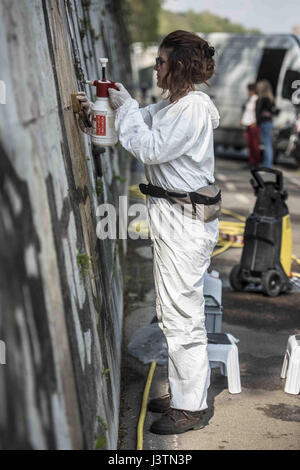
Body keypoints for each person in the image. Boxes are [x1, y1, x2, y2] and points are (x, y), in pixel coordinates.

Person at [77, 30, 221, 435]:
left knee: (183, 317)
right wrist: (107, 108)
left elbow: (149, 147)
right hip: (176, 221)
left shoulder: (191, 109)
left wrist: (124, 107)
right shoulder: (172, 105)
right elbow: (137, 124)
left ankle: (190, 407)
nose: (155, 68)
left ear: (176, 66)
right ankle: (182, 393)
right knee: (173, 313)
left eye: (159, 62)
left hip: (185, 226)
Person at [255, 80, 277, 168]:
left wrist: (268, 112)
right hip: (266, 123)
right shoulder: (269, 99)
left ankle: (267, 164)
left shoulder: (265, 99)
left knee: (267, 144)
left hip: (265, 123)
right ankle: (266, 163)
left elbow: (273, 110)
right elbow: (274, 110)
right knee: (266, 144)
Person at [240, 83, 260, 168]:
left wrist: (254, 122)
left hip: (253, 124)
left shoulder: (256, 99)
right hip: (248, 124)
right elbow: (247, 112)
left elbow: (256, 112)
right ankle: (251, 161)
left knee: (255, 145)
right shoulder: (250, 99)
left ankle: (256, 162)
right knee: (250, 144)